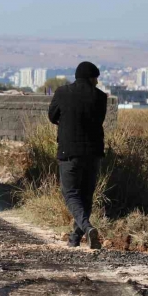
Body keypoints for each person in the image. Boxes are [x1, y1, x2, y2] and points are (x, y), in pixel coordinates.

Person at [48, 61, 107, 250]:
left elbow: (51, 116)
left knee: (70, 193)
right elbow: (99, 119)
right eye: (95, 78)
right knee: (86, 195)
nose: (97, 82)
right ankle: (75, 237)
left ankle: (87, 227)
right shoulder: (100, 97)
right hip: (93, 152)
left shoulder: (62, 92)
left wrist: (65, 121)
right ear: (91, 78)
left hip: (69, 152)